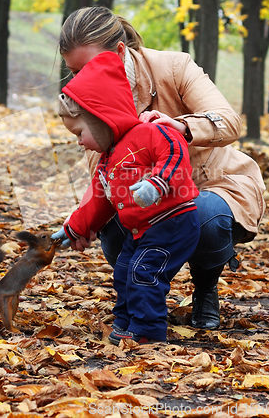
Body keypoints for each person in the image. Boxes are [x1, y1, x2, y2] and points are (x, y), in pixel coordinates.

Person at [53, 5, 266, 331]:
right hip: (145, 200)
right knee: (113, 232)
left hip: (210, 185)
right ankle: (144, 299)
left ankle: (206, 286)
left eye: (89, 67)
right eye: (74, 72)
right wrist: (81, 225)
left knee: (202, 215)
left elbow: (230, 122)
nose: (82, 80)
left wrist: (180, 127)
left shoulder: (173, 67)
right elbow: (103, 179)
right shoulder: (89, 101)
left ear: (120, 51)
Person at [55, 51, 200, 344]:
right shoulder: (107, 161)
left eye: (81, 132)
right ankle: (126, 320)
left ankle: (148, 330)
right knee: (124, 270)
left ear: (101, 120)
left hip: (173, 221)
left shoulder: (149, 131)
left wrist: (157, 183)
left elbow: (175, 152)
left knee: (144, 271)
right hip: (143, 229)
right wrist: (73, 228)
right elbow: (98, 201)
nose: (79, 141)